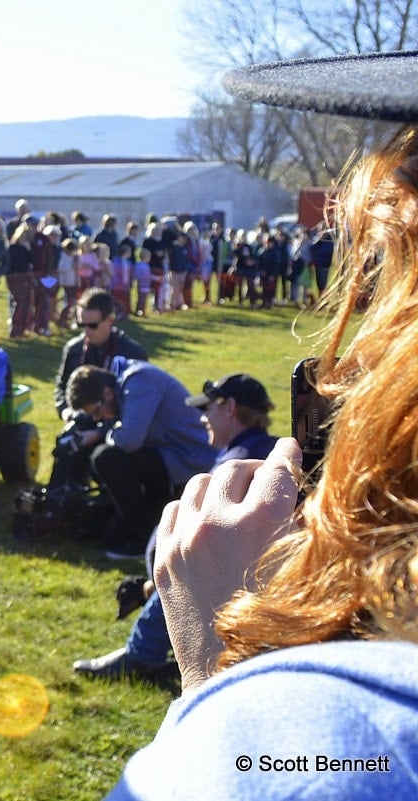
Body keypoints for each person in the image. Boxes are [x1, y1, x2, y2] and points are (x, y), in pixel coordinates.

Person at [105, 50, 418, 800]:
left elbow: (277, 772)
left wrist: (225, 664)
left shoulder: (354, 730)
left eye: (389, 280)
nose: (365, 345)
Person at [74, 373, 277, 679]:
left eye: (208, 408)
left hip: (243, 574)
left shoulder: (239, 461)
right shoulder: (255, 448)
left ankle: (143, 655)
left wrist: (162, 570)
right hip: (252, 574)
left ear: (230, 407)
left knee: (187, 562)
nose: (203, 417)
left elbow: (211, 537)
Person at [65, 361, 216, 560]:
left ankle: (141, 535)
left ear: (107, 393)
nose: (98, 418)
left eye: (96, 412)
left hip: (193, 459)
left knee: (106, 458)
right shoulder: (126, 384)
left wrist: (106, 433)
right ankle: (136, 521)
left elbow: (129, 440)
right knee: (103, 457)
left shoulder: (140, 380)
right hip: (169, 452)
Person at [49, 289, 148, 489]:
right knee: (66, 448)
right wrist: (67, 411)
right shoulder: (74, 349)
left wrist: (101, 431)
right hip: (83, 420)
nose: (86, 331)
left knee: (103, 461)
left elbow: (136, 409)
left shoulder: (132, 353)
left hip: (119, 426)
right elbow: (61, 388)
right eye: (81, 324)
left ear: (110, 320)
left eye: (92, 325)